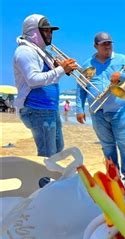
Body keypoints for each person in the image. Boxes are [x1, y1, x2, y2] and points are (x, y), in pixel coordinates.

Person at [76, 32, 125, 184]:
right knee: (107, 147)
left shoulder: (122, 60)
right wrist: (79, 109)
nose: (107, 46)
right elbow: (81, 88)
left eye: (109, 43)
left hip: (121, 111)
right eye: (103, 44)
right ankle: (113, 180)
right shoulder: (87, 65)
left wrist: (121, 77)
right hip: (98, 113)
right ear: (95, 46)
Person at [13, 14, 77, 157]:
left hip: (49, 109)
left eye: (50, 31)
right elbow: (33, 79)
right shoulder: (25, 51)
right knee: (48, 155)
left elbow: (50, 76)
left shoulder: (42, 53)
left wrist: (60, 68)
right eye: (45, 30)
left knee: (58, 150)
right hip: (37, 109)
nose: (50, 34)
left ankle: (50, 179)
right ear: (34, 31)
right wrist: (61, 69)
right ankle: (45, 180)